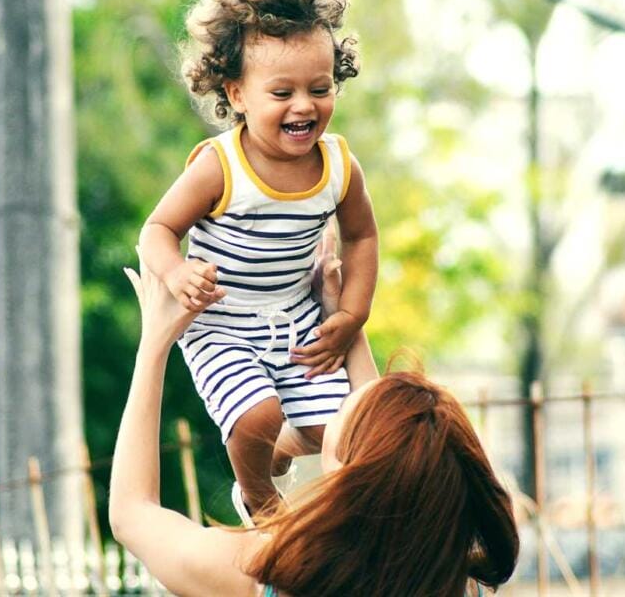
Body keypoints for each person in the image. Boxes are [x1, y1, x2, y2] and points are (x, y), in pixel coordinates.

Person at [111, 250, 519, 596]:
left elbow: (132, 513)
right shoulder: (454, 580)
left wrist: (154, 345)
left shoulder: (262, 573)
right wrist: (340, 318)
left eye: (341, 410)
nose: (335, 404)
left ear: (347, 475)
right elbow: (390, 457)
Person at [138, 0, 378, 523]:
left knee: (334, 430)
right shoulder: (220, 167)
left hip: (295, 317)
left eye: (319, 88)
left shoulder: (339, 166)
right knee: (256, 417)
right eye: (282, 93)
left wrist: (351, 315)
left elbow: (363, 238)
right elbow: (156, 229)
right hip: (222, 321)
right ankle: (261, 503)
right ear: (237, 93)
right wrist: (176, 271)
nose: (304, 105)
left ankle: (279, 451)